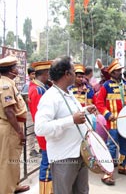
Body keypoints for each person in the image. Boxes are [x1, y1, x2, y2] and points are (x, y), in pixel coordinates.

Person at [35, 56, 97, 193]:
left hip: (79, 153)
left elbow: (71, 114)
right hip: (63, 157)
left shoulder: (68, 93)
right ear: (67, 74)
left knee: (81, 191)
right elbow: (40, 128)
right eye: (74, 71)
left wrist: (85, 111)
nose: (76, 74)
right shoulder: (50, 97)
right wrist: (71, 120)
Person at [96, 59, 126, 185]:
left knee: (125, 145)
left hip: (125, 123)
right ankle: (108, 172)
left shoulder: (125, 85)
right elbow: (99, 103)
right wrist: (107, 115)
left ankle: (124, 167)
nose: (120, 72)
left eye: (120, 70)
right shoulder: (106, 86)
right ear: (112, 73)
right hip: (112, 123)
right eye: (118, 71)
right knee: (111, 147)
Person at [0, 56, 30, 193]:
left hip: (13, 126)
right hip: (10, 127)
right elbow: (9, 111)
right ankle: (6, 189)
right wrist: (19, 132)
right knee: (7, 161)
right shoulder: (5, 85)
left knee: (14, 159)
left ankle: (14, 184)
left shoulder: (9, 82)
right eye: (15, 67)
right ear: (11, 70)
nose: (17, 70)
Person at [28, 60, 53, 194]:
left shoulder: (40, 87)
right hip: (45, 131)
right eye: (48, 72)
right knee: (47, 163)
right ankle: (45, 191)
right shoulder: (37, 90)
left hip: (45, 129)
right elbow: (40, 114)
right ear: (45, 73)